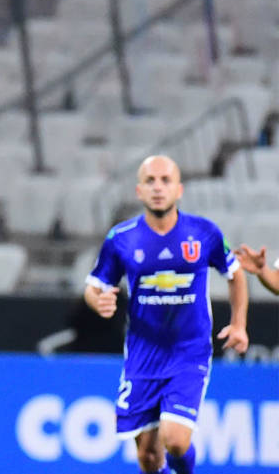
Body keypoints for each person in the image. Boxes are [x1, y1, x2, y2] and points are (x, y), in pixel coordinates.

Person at [84, 155, 249, 474]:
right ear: (139, 191)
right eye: (150, 181)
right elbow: (94, 286)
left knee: (174, 440)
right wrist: (98, 301)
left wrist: (239, 324)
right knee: (148, 456)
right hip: (142, 355)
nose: (158, 188)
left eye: (165, 180)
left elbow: (235, 273)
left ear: (179, 189)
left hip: (189, 352)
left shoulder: (204, 233)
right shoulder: (121, 238)